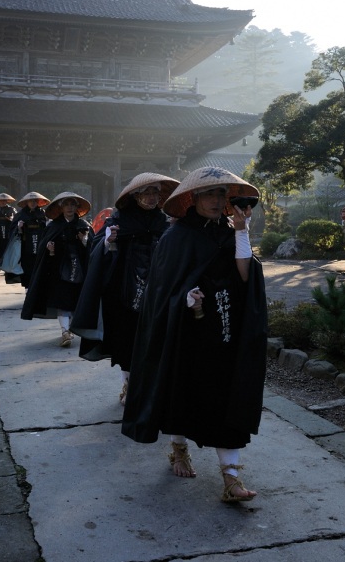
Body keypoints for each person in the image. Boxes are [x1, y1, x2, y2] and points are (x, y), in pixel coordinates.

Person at [121, 167, 268, 503]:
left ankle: (231, 478)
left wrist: (242, 232)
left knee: (226, 397)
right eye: (210, 194)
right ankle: (178, 448)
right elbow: (163, 291)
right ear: (194, 198)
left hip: (224, 329)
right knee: (180, 393)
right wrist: (184, 297)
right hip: (186, 332)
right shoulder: (177, 238)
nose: (218, 201)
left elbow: (245, 276)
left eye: (222, 195)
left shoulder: (230, 232)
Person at [71, 172, 179, 405]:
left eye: (156, 192)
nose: (152, 197)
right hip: (125, 291)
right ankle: (129, 384)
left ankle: (151, 387)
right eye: (147, 192)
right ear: (136, 195)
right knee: (128, 341)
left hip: (159, 290)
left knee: (156, 340)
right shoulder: (119, 220)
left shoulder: (165, 221)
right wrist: (108, 242)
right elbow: (97, 249)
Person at [20, 191, 93, 347]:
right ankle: (65, 331)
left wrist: (85, 241)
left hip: (79, 269)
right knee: (62, 301)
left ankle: (70, 328)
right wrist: (49, 249)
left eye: (72, 204)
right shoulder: (54, 226)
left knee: (75, 300)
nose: (69, 207)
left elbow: (92, 249)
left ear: (77, 207)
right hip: (58, 270)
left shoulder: (83, 226)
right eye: (66, 204)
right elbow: (43, 248)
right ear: (61, 207)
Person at [2, 192, 50, 286]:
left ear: (37, 202)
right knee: (27, 268)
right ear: (27, 202)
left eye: (34, 201)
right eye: (30, 201)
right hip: (25, 245)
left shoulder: (42, 214)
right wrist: (18, 227)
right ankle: (27, 289)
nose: (32, 203)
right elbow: (13, 230)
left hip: (39, 244)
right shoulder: (20, 214)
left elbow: (47, 229)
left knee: (39, 266)